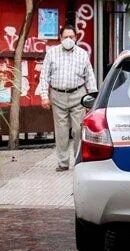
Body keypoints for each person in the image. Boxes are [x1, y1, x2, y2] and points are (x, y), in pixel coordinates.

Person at [36, 25, 98, 171]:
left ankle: (79, 161)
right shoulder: (52, 53)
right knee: (61, 132)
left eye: (71, 37)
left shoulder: (82, 54)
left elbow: (89, 77)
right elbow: (44, 76)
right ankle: (63, 163)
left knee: (78, 130)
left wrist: (92, 98)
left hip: (78, 95)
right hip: (58, 96)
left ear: (76, 38)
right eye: (65, 37)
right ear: (60, 38)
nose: (68, 39)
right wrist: (44, 96)